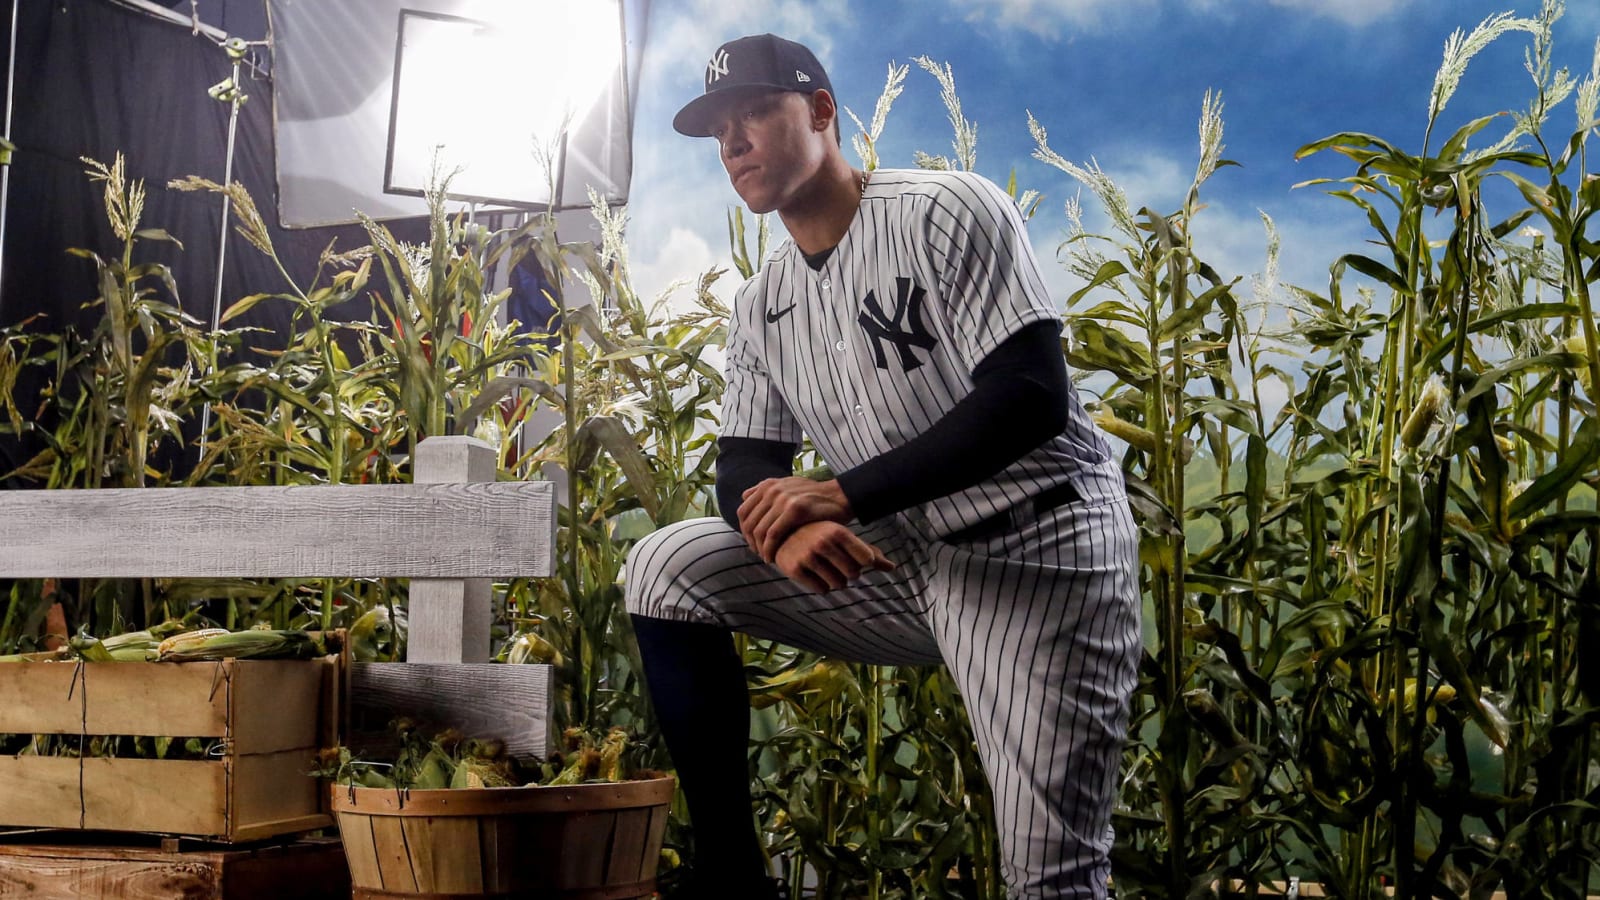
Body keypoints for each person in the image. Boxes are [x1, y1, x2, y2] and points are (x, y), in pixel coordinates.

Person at [624, 33, 1141, 900]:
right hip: (899, 565)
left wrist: (834, 494)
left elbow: (1027, 393)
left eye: (754, 111)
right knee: (665, 567)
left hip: (1035, 555)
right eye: (719, 127)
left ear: (822, 110)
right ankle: (733, 879)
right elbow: (745, 462)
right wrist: (778, 537)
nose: (734, 141)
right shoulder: (763, 302)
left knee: (1051, 878)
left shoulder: (946, 210)